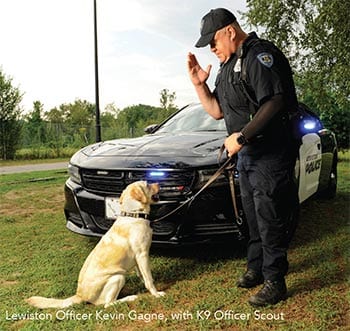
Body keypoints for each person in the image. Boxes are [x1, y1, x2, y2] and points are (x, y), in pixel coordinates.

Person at [187, 8, 299, 306]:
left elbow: (275, 101)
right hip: (247, 155)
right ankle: (257, 267)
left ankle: (275, 280)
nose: (212, 49)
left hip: (271, 151)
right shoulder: (226, 67)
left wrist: (241, 136)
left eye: (213, 42)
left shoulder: (259, 56)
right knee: (251, 214)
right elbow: (217, 111)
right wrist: (199, 85)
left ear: (229, 31)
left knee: (269, 214)